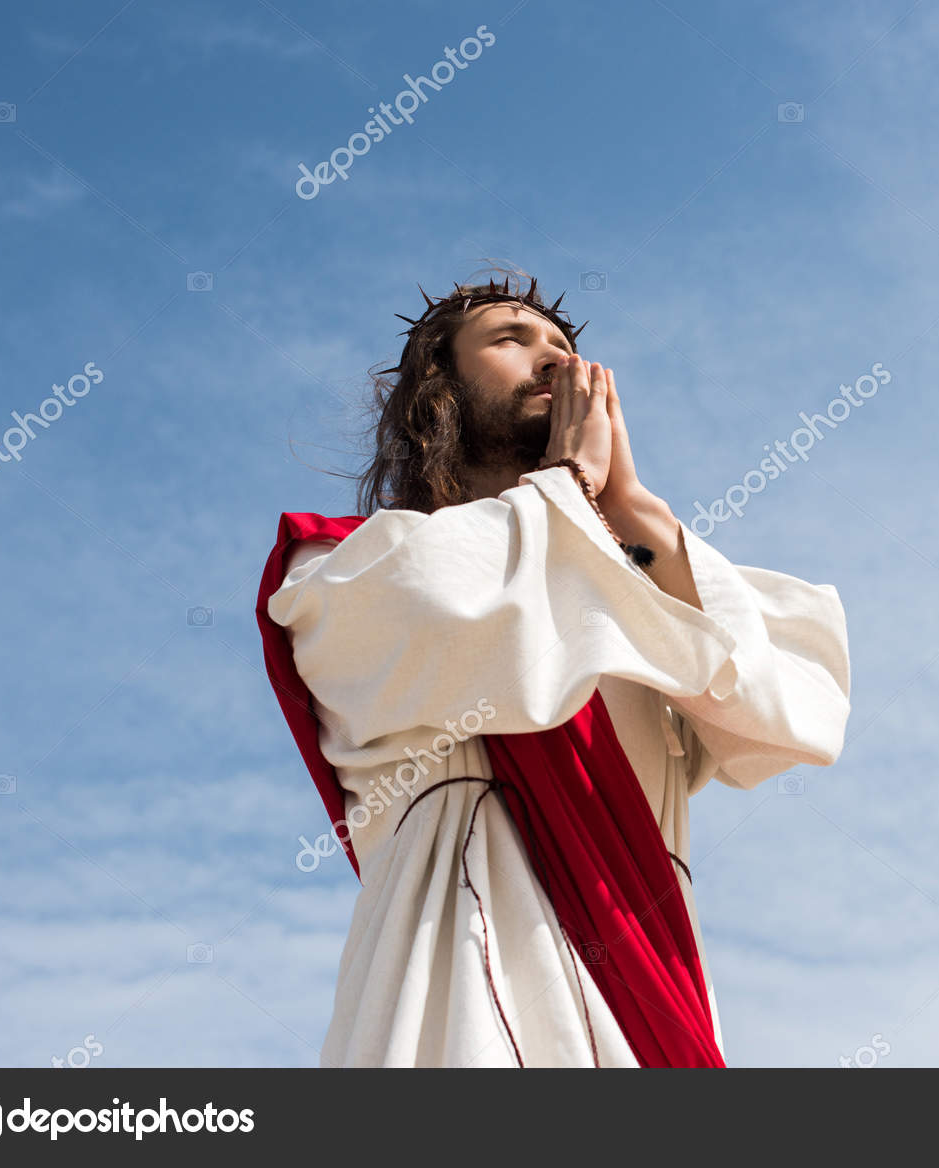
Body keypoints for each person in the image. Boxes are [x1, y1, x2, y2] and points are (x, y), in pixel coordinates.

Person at [257, 272, 851, 1067]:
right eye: (511, 340)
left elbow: (785, 717)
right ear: (436, 391)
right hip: (466, 956)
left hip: (651, 981)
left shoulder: (634, 607)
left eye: (565, 350)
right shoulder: (343, 562)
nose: (553, 363)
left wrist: (633, 505)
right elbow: (454, 614)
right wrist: (568, 486)